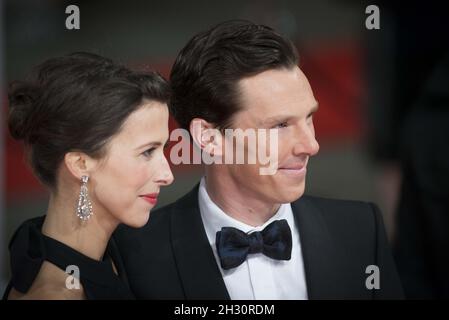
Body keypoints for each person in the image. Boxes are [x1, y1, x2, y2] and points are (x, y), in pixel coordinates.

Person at [111, 20, 403, 299]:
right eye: (280, 126)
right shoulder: (134, 255)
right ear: (209, 138)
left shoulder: (362, 231)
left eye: (309, 118)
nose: (311, 145)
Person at [3, 52, 174, 299]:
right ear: (81, 163)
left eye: (163, 149)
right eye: (147, 152)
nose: (167, 175)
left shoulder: (113, 250)